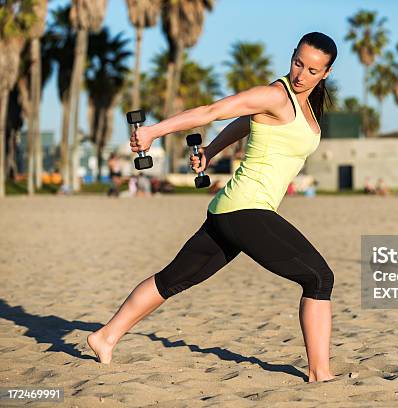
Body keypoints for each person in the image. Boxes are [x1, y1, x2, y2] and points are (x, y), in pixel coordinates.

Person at [87, 32, 337, 383]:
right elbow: (213, 111)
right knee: (319, 277)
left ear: (324, 74)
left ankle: (105, 337)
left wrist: (212, 151)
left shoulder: (304, 105)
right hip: (247, 211)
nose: (301, 75)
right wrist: (154, 132)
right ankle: (320, 372)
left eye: (312, 70)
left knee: (171, 279)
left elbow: (244, 121)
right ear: (292, 55)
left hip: (231, 211)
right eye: (298, 63)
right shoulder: (274, 94)